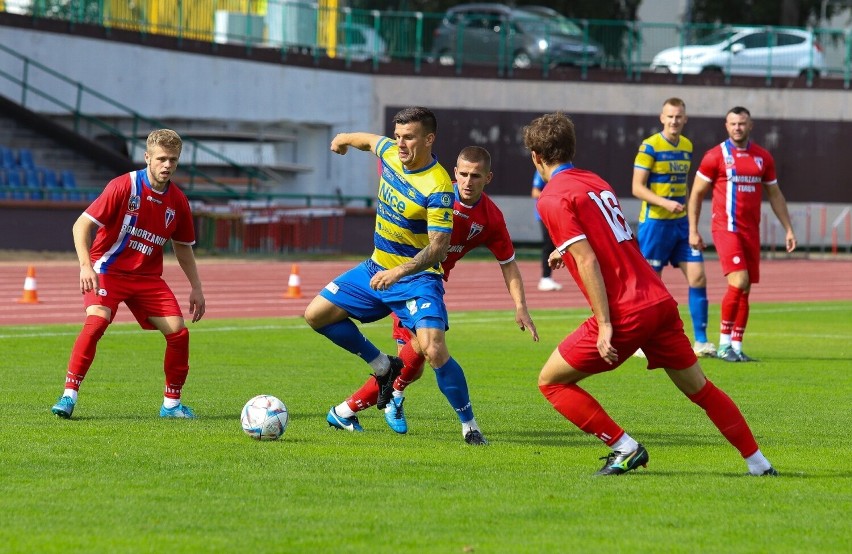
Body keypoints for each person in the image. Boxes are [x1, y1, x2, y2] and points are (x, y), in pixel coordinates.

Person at [524, 112, 777, 476]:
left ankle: (624, 447)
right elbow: (606, 236)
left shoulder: (551, 197)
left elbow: (589, 259)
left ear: (536, 156)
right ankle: (759, 463)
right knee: (701, 389)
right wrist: (562, 248)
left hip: (625, 310)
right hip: (657, 301)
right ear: (571, 148)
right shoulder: (594, 181)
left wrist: (606, 324)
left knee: (550, 382)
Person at [305, 107, 488, 445]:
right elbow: (368, 142)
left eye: (409, 137)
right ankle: (382, 365)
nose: (400, 144)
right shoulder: (391, 151)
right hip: (375, 269)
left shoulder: (438, 187)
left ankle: (470, 425)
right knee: (316, 315)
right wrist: (343, 140)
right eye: (399, 136)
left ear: (429, 139)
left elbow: (438, 247)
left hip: (416, 278)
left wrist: (400, 271)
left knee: (433, 350)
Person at [336, 146, 539, 435]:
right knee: (418, 355)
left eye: (476, 176)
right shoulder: (437, 193)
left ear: (488, 178)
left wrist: (521, 307)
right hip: (405, 280)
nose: (468, 182)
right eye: (464, 174)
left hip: (428, 285)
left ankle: (356, 407)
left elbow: (508, 263)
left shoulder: (491, 218)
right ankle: (355, 408)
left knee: (414, 362)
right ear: (455, 173)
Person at [51, 129, 206, 419]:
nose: (167, 165)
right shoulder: (124, 186)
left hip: (146, 278)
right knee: (97, 322)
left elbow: (183, 248)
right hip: (108, 269)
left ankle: (171, 405)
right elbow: (81, 226)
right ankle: (68, 396)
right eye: (161, 158)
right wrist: (85, 265)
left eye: (173, 160)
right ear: (147, 157)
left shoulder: (178, 202)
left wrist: (196, 287)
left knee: (179, 333)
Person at [688, 106, 797, 362]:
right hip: (726, 228)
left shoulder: (762, 157)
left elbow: (775, 195)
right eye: (733, 123)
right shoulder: (715, 156)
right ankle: (725, 344)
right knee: (738, 282)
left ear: (751, 126)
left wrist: (788, 229)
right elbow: (697, 194)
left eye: (742, 123)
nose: (737, 127)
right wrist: (693, 229)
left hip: (751, 231)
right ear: (726, 126)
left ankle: (736, 347)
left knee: (745, 288)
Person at [632, 98, 714, 358]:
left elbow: (687, 187)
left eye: (678, 117)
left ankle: (700, 341)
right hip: (655, 224)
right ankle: (642, 341)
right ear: (662, 118)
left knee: (698, 276)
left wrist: (693, 227)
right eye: (670, 117)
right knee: (652, 284)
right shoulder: (649, 146)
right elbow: (637, 187)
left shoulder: (687, 146)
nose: (674, 121)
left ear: (685, 119)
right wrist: (664, 203)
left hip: (681, 225)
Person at [531, 171, 562, 291]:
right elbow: (535, 192)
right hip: (545, 214)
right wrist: (553, 198)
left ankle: (547, 277)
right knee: (548, 244)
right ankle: (545, 278)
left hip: (557, 213)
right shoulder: (542, 172)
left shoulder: (561, 172)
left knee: (556, 244)